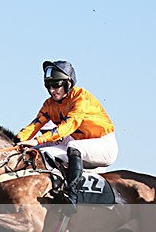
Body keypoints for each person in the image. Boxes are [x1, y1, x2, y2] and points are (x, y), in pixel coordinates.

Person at [16, 60, 118, 215]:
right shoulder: (49, 104)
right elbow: (34, 125)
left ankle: (72, 195)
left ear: (68, 83)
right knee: (43, 152)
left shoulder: (81, 97)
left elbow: (67, 127)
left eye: (56, 85)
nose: (52, 90)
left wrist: (37, 140)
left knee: (72, 146)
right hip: (80, 148)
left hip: (104, 146)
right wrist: (17, 141)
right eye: (49, 86)